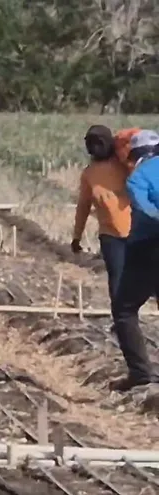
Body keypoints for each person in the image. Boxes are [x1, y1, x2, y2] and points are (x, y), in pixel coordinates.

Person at [108, 129, 159, 391]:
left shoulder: (137, 177)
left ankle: (140, 373)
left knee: (125, 309)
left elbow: (146, 212)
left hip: (148, 247)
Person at [71, 125, 131, 300]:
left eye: (99, 143)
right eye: (91, 144)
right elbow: (83, 206)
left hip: (137, 230)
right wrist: (77, 236)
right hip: (110, 235)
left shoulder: (124, 165)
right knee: (117, 278)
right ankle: (121, 321)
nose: (95, 148)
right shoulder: (89, 174)